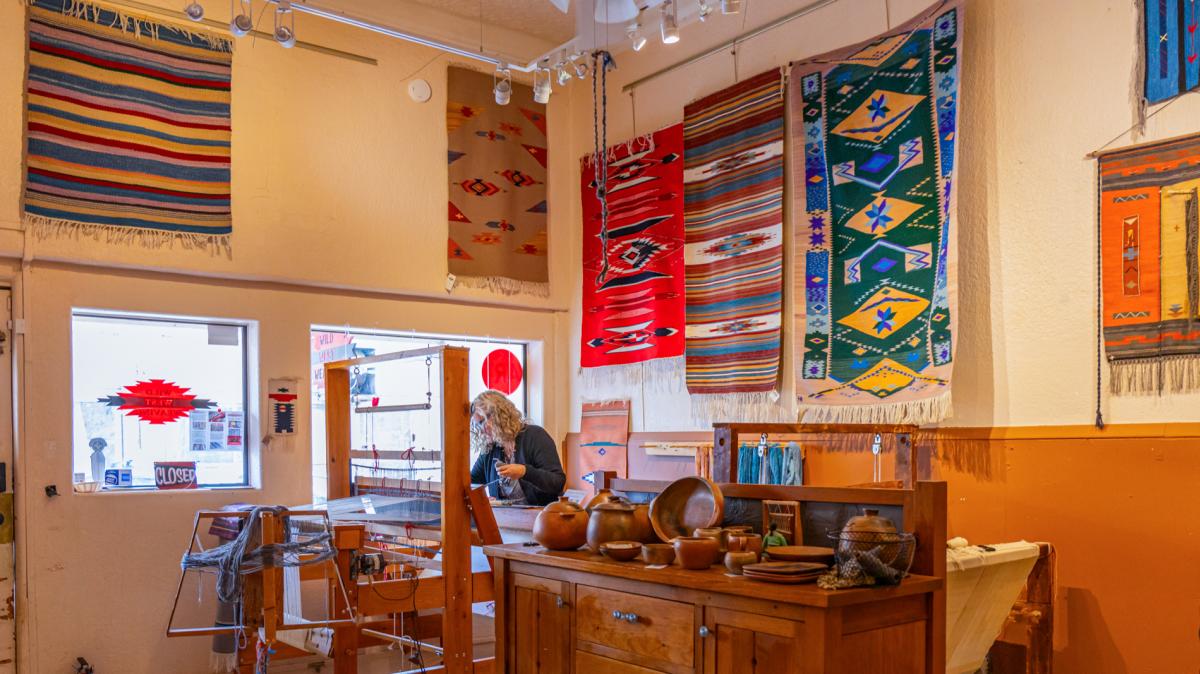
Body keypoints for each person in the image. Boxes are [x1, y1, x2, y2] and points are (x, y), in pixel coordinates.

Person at [469, 390, 565, 506]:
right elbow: (472, 481)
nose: (481, 429)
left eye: (482, 422)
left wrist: (525, 471)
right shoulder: (490, 448)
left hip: (540, 518)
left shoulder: (535, 436)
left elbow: (557, 482)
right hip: (505, 520)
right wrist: (483, 500)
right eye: (477, 424)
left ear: (499, 415)